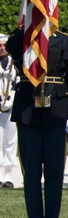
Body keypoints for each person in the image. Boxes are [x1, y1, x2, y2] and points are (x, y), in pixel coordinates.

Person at [7, 23, 68, 218]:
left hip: (55, 110)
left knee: (54, 172)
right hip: (28, 109)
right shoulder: (23, 36)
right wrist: (25, 27)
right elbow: (11, 47)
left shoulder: (64, 40)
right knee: (31, 173)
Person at [0, 34, 18, 189]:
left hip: (10, 107)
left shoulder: (14, 64)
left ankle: (8, 175)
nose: (1, 48)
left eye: (4, 45)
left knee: (10, 142)